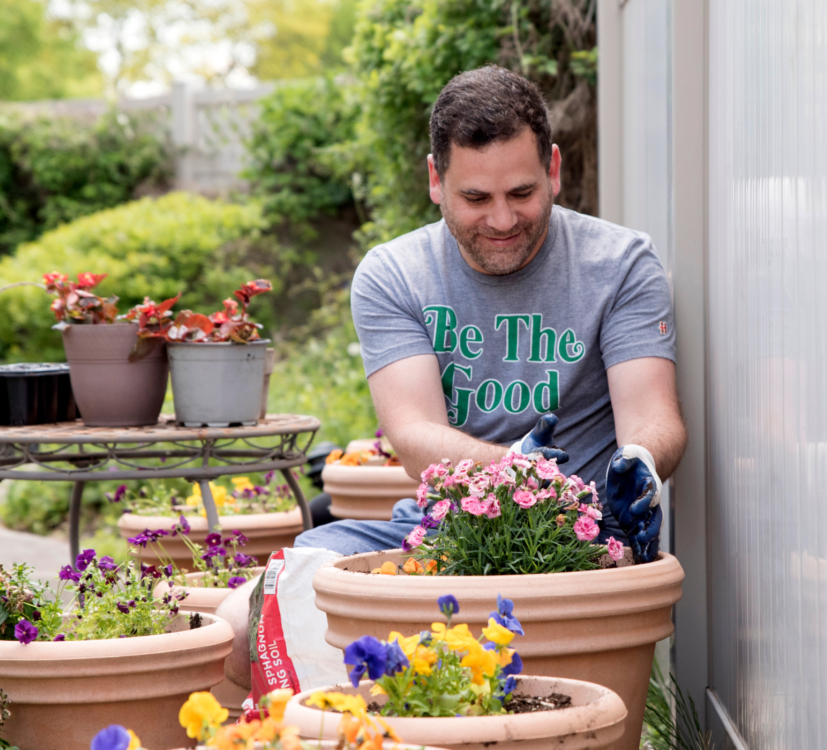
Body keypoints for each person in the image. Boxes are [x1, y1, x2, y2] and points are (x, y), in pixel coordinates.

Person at [294, 65, 686, 562]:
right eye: (476, 198)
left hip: (580, 537)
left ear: (553, 171)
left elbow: (654, 416)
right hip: (444, 528)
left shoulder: (620, 264)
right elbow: (414, 437)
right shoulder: (394, 275)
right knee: (294, 574)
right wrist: (515, 468)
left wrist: (642, 460)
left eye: (522, 193)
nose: (502, 220)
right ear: (436, 180)